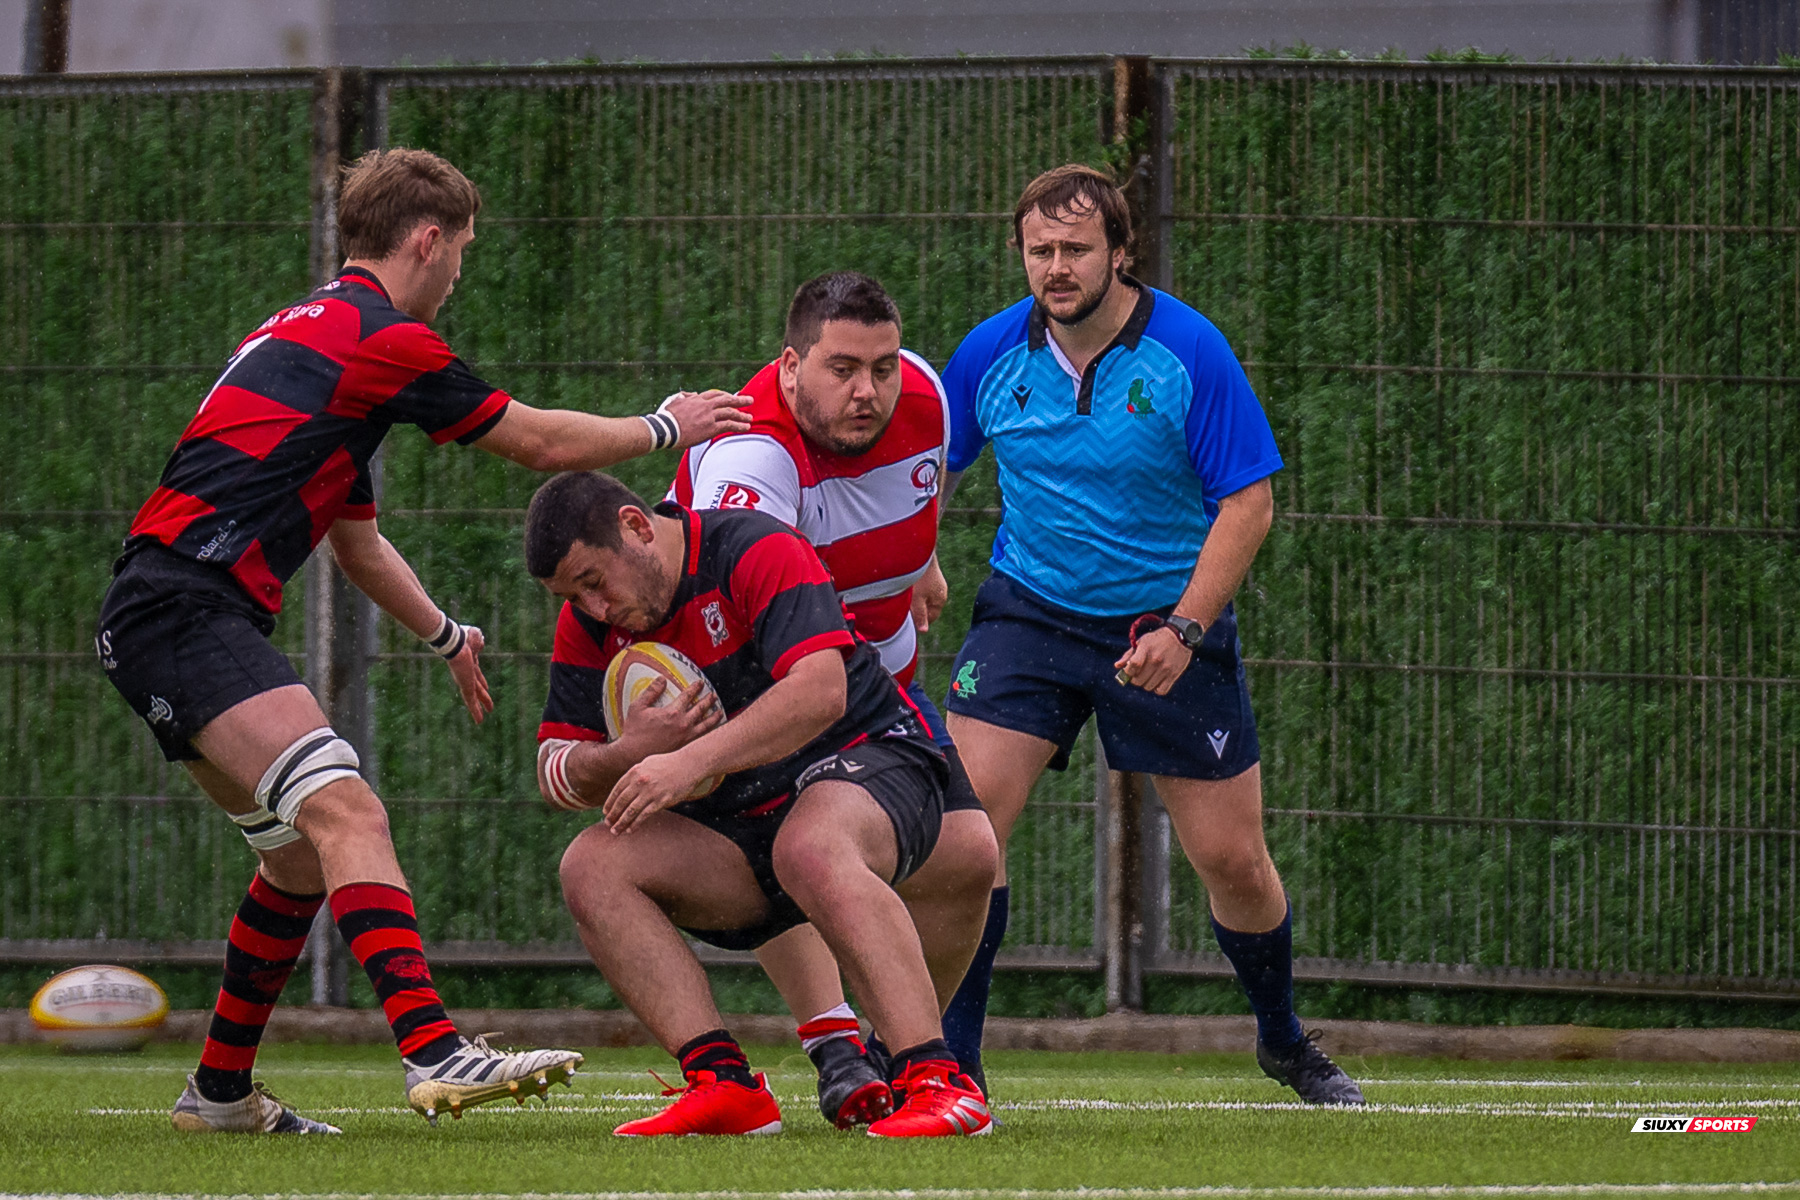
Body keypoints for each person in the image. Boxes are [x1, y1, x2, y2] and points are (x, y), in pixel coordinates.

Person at [95, 147, 751, 1134]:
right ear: (428, 240)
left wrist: (445, 636)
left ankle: (219, 1095)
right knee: (349, 814)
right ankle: (435, 1049)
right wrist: (666, 426)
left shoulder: (303, 336)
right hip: (183, 606)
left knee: (300, 860)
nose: (459, 276)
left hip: (159, 610)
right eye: (463, 254)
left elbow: (354, 543)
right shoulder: (381, 337)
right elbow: (540, 443)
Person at [937, 163, 1364, 1106]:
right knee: (963, 834)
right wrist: (919, 561)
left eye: (1075, 249)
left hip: (1166, 623)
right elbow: (926, 472)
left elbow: (1248, 503)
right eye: (1040, 250)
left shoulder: (1188, 350)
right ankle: (952, 1074)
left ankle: (1284, 1041)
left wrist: (1184, 626)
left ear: (1119, 254)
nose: (1056, 266)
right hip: (1029, 613)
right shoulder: (986, 355)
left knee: (1234, 863)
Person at [529, 471, 998, 1138]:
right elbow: (556, 770)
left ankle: (936, 1081)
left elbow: (820, 692)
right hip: (745, 828)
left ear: (637, 528)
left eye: (594, 580)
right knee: (590, 866)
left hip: (876, 760)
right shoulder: (586, 624)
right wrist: (630, 750)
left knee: (811, 844)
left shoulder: (752, 548)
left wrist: (690, 757)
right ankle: (725, 1086)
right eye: (572, 594)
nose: (593, 607)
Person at [665, 270, 993, 1122]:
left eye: (881, 367)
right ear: (787, 367)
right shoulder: (750, 459)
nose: (868, 391)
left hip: (883, 677)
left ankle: (892, 1052)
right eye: (842, 369)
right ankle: (838, 1044)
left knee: (970, 861)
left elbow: (903, 491)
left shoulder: (923, 393)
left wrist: (917, 562)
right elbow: (729, 609)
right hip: (770, 684)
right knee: (803, 851)